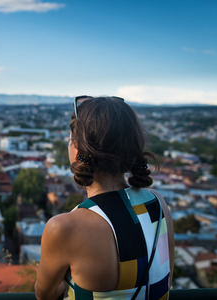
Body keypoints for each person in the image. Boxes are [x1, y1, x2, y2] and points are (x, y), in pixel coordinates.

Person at [35, 96, 175, 300]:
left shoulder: (65, 228)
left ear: (78, 153)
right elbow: (165, 279)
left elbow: (44, 295)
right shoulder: (158, 204)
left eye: (70, 139)